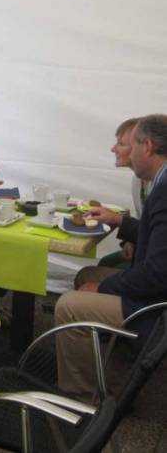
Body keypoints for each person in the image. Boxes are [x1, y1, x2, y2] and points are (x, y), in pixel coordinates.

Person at [55, 114, 167, 398]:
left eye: (130, 143)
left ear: (147, 147)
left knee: (68, 305)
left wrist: (105, 287)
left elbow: (158, 272)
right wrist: (120, 222)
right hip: (156, 293)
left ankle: (85, 395)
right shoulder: (159, 183)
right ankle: (108, 364)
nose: (117, 149)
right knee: (86, 275)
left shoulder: (164, 191)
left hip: (156, 308)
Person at [98, 118, 151, 269]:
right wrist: (131, 241)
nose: (113, 149)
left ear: (145, 147)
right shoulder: (138, 180)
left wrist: (117, 219)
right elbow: (144, 221)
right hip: (147, 249)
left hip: (157, 261)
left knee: (94, 272)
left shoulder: (160, 183)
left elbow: (157, 232)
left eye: (121, 144)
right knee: (106, 262)